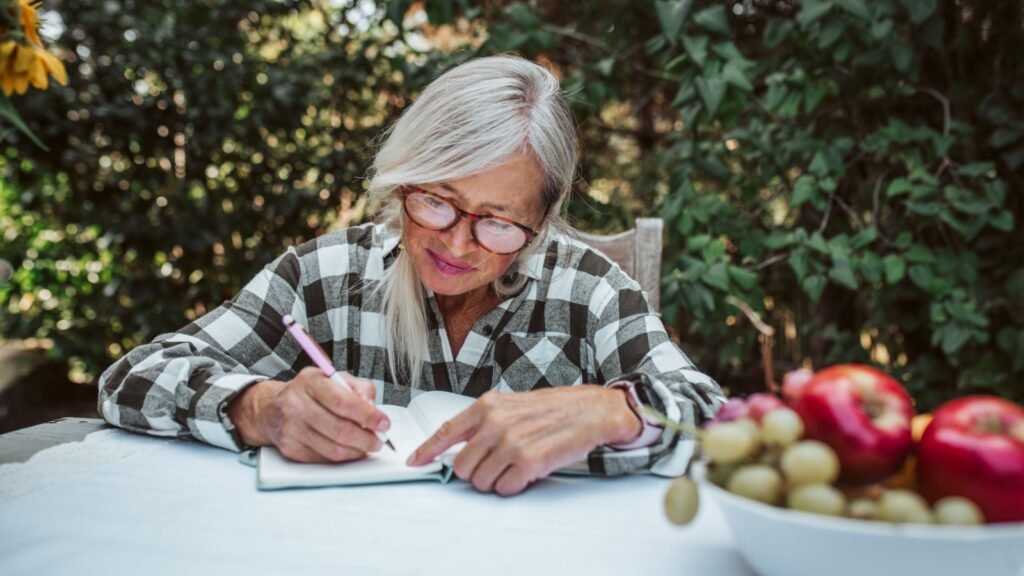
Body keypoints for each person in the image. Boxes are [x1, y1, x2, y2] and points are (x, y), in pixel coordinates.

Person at [98, 55, 724, 496]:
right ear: (404, 181)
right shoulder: (327, 275)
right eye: (437, 201)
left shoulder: (587, 290)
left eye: (499, 222)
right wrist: (259, 407)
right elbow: (130, 379)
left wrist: (613, 411)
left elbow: (718, 419)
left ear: (542, 219)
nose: (456, 242)